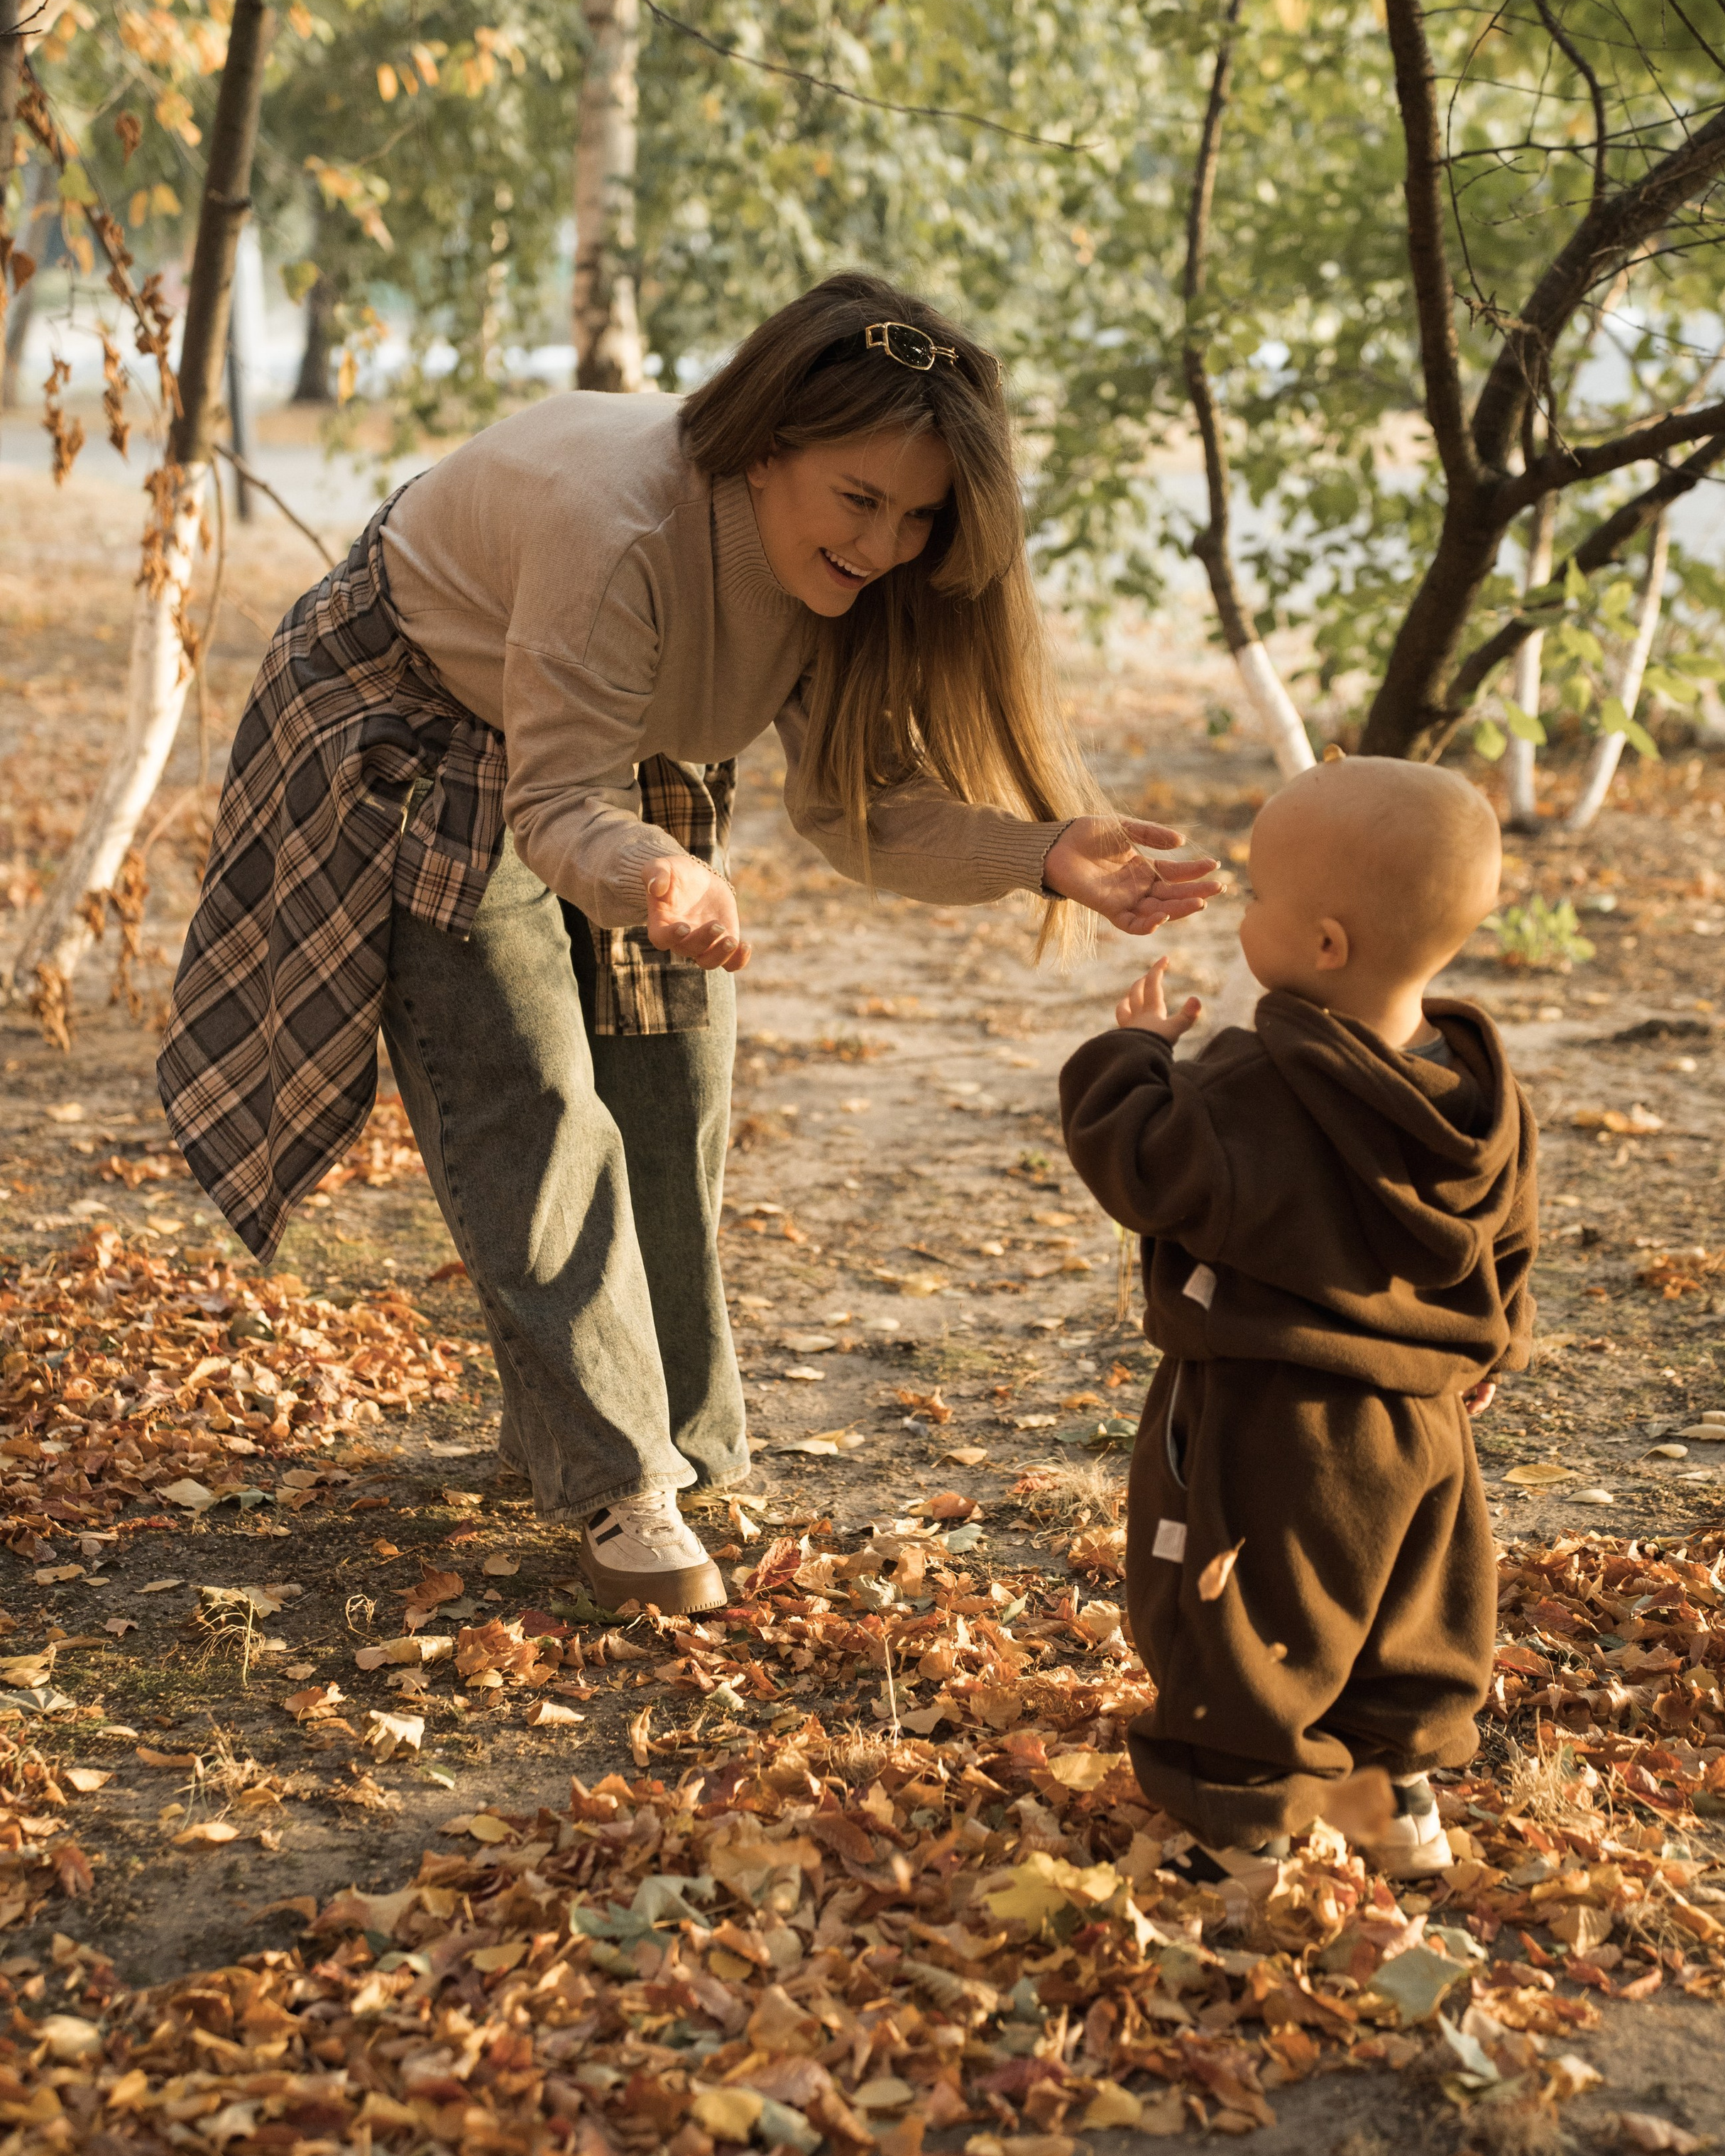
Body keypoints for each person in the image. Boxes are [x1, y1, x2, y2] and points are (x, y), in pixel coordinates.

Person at [158, 273, 1218, 1615]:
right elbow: (553, 803)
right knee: (529, 1095)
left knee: (673, 1093)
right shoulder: (621, 530)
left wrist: (1043, 852)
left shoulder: (840, 571)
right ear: (766, 447)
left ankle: (669, 1441)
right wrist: (656, 869)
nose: (886, 545)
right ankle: (620, 1483)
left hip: (611, 742)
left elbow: (854, 810)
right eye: (859, 499)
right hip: (422, 719)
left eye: (918, 517)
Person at [1057, 756, 1536, 1877]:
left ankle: (1241, 1841)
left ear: (1325, 944)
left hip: (1272, 1419)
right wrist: (1493, 1344)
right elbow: (1506, 1234)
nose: (1241, 908)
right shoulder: (1478, 1097)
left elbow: (1142, 1165)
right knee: (1405, 1614)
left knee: (1247, 1623)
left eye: (1257, 894)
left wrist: (1131, 1056)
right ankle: (1395, 1811)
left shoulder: (1253, 1088)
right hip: (1426, 1420)